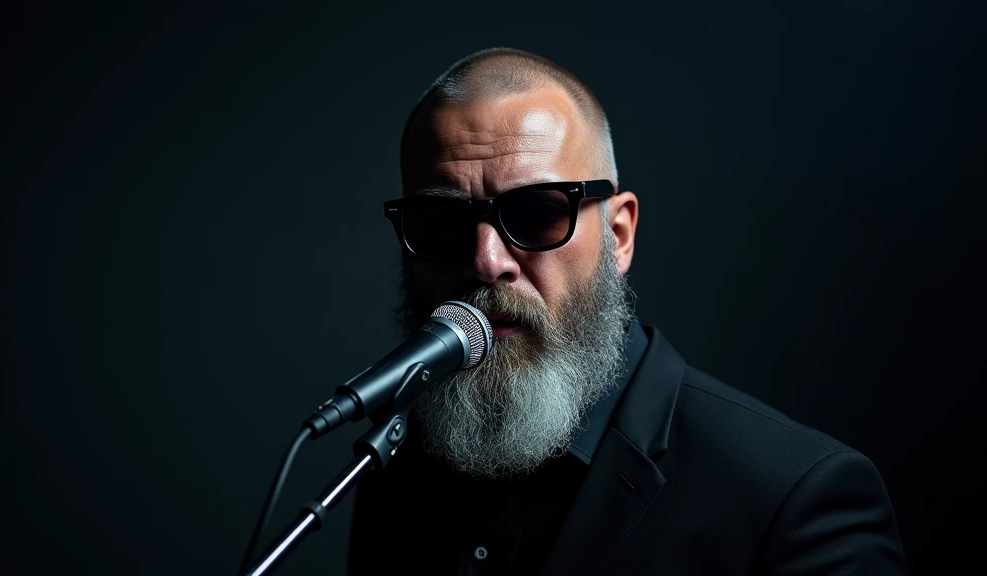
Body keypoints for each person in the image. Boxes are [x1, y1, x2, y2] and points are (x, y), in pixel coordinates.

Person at [346, 47, 907, 575]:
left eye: (539, 213)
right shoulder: (392, 469)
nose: (486, 261)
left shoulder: (794, 497)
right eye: (441, 224)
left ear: (618, 235)